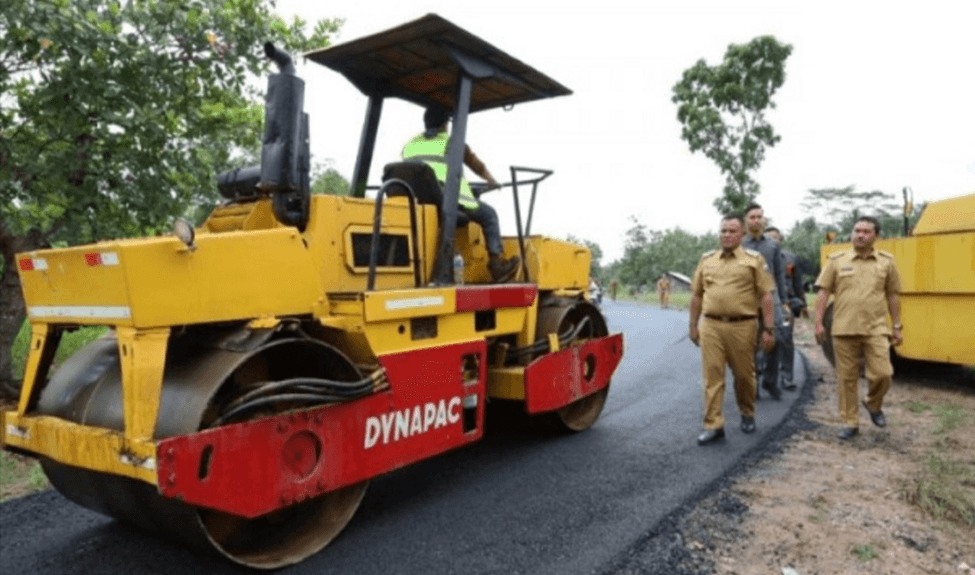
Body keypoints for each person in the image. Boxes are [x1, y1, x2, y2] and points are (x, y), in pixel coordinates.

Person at [403, 106, 519, 282]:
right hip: (446, 201)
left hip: (419, 201)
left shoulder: (410, 145)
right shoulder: (452, 143)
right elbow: (475, 164)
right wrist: (492, 181)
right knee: (489, 215)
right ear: (444, 124)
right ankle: (497, 266)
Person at [689, 214, 776, 445]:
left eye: (732, 231)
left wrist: (769, 328)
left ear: (742, 235)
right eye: (723, 231)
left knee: (744, 376)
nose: (726, 235)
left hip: (743, 325)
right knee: (712, 376)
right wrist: (693, 326)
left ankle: (747, 413)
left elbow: (766, 295)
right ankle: (713, 424)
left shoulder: (754, 260)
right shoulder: (707, 260)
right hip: (711, 325)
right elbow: (697, 295)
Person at [814, 216, 902, 440]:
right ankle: (850, 422)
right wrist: (817, 322)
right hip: (843, 328)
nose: (860, 235)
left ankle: (873, 403)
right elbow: (823, 294)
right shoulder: (836, 260)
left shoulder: (886, 262)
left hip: (876, 328)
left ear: (876, 236)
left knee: (883, 373)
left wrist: (898, 325)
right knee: (846, 378)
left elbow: (893, 295)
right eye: (856, 230)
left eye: (866, 231)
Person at [742, 204, 790, 400]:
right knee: (748, 343)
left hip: (771, 298)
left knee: (775, 340)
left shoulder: (772, 246)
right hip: (746, 300)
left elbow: (779, 274)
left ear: (764, 220)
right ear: (746, 221)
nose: (756, 220)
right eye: (752, 217)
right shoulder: (739, 245)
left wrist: (784, 301)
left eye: (759, 216)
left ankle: (770, 382)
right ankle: (751, 384)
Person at [765, 226, 806, 391]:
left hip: (785, 305)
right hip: (763, 305)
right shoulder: (757, 258)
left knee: (785, 339)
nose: (772, 240)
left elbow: (798, 283)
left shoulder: (790, 259)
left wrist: (803, 304)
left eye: (775, 237)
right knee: (763, 340)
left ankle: (787, 377)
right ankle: (764, 373)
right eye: (768, 237)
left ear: (780, 240)